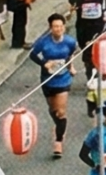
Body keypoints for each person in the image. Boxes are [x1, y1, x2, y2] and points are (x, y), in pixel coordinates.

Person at [29, 14, 80, 150]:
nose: (58, 29)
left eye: (60, 26)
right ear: (50, 28)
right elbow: (32, 55)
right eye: (55, 27)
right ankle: (59, 126)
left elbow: (71, 55)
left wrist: (71, 67)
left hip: (63, 79)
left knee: (60, 111)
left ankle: (58, 141)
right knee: (52, 109)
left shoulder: (70, 41)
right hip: (47, 79)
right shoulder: (43, 42)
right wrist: (44, 63)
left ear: (64, 27)